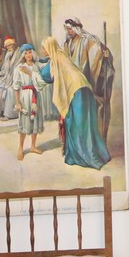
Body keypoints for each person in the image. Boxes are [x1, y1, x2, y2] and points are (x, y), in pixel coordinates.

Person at [38, 37, 109, 170]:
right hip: (84, 89)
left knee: (76, 124)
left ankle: (80, 156)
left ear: (50, 47)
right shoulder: (61, 54)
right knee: (87, 123)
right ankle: (98, 153)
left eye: (44, 48)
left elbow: (46, 75)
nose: (42, 50)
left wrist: (33, 68)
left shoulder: (56, 59)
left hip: (76, 93)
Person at [63, 17, 116, 144]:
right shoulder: (67, 44)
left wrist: (104, 56)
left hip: (89, 81)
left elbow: (98, 55)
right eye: (67, 29)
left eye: (70, 29)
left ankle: (99, 141)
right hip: (76, 83)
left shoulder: (88, 40)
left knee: (96, 107)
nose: (68, 31)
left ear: (77, 28)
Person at [11, 43, 48, 160]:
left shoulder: (37, 66)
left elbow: (42, 77)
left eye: (30, 52)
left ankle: (33, 146)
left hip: (36, 95)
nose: (28, 55)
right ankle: (21, 147)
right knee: (24, 120)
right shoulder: (19, 68)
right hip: (25, 96)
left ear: (33, 53)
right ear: (23, 55)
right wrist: (18, 102)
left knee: (35, 120)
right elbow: (16, 86)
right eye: (26, 53)